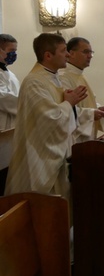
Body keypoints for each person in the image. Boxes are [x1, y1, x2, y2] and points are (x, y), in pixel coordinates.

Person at [5, 33, 87, 200]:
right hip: (37, 159)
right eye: (64, 51)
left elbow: (59, 111)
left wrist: (73, 105)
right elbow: (49, 119)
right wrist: (68, 103)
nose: (68, 55)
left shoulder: (53, 78)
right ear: (48, 55)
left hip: (55, 157)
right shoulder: (34, 82)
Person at [59, 37, 104, 143]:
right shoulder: (63, 76)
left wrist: (98, 108)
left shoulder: (79, 75)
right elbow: (65, 109)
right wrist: (92, 113)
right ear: (71, 53)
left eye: (91, 52)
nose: (90, 56)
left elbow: (84, 102)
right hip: (73, 139)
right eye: (85, 52)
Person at [0, 34, 20, 130]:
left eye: (15, 51)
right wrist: (27, 103)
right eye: (11, 51)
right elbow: (2, 97)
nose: (14, 54)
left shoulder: (10, 74)